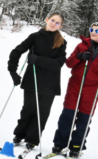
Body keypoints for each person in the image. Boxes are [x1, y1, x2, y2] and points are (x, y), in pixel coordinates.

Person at [51, 20, 98, 157]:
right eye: (92, 29)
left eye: (97, 30)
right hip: (75, 84)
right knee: (67, 115)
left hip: (92, 88)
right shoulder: (81, 46)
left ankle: (76, 145)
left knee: (84, 118)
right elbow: (69, 63)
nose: (93, 32)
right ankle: (59, 143)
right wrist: (79, 57)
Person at [7, 13, 68, 150]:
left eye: (57, 23)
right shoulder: (34, 37)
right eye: (52, 20)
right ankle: (19, 135)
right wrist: (13, 72)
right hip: (31, 80)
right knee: (27, 109)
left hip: (50, 84)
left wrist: (38, 60)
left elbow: (58, 63)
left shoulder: (62, 42)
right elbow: (16, 52)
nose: (53, 24)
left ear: (60, 26)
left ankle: (33, 139)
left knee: (42, 112)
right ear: (46, 20)